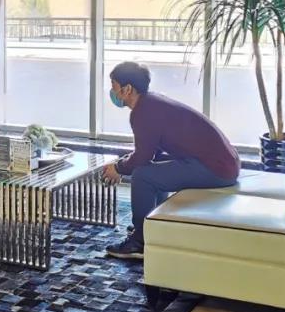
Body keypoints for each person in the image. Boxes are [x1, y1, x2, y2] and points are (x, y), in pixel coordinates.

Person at [102, 61, 240, 259]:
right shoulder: (151, 103)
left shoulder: (143, 112)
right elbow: (149, 153)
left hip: (216, 169)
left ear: (127, 89)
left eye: (114, 85)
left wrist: (118, 168)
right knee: (151, 171)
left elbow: (142, 158)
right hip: (224, 164)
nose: (112, 91)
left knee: (142, 176)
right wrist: (122, 165)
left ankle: (140, 241)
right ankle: (153, 225)